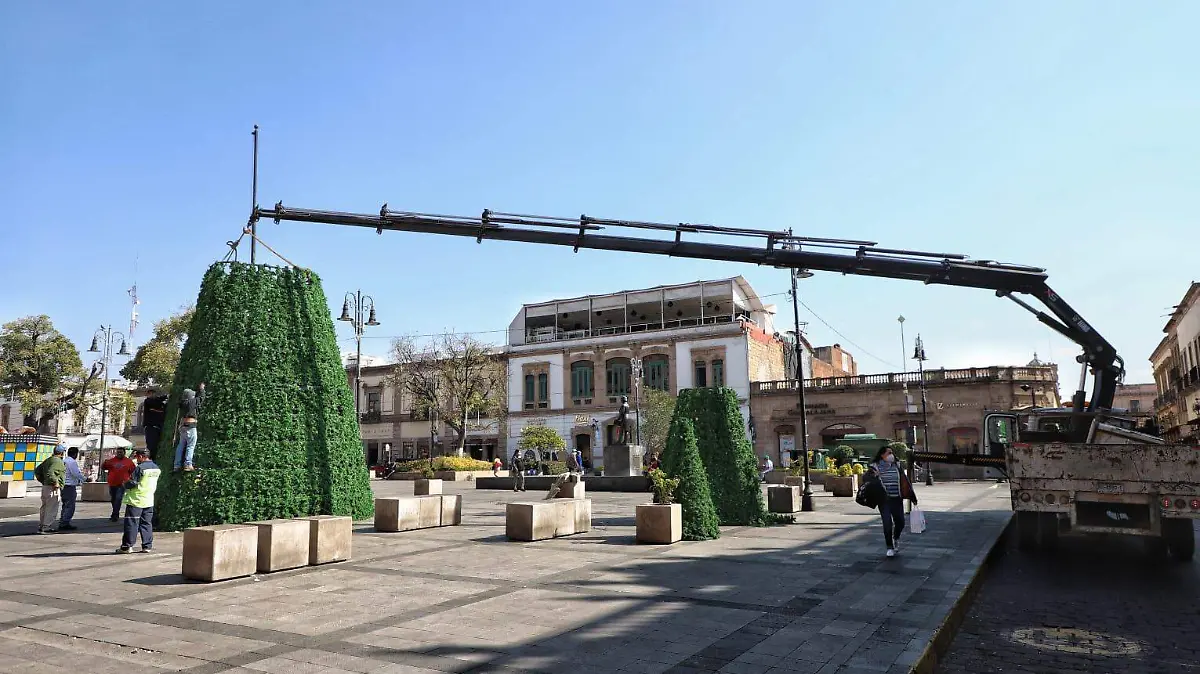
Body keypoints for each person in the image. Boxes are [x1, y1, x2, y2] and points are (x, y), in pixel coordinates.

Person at [868, 445, 918, 558]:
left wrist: (912, 496)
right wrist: (874, 476)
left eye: (892, 453)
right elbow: (867, 480)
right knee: (887, 523)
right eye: (888, 453)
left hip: (897, 498)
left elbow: (905, 480)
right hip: (884, 500)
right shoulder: (874, 467)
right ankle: (889, 547)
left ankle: (896, 537)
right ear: (882, 455)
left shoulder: (897, 465)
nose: (891, 455)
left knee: (900, 522)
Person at [116, 449, 161, 554]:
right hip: (149, 499)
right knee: (146, 523)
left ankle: (127, 547)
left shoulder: (140, 468)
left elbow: (132, 483)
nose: (137, 459)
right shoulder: (156, 468)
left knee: (132, 524)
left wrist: (125, 483)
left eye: (137, 457)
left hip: (136, 500)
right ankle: (147, 546)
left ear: (141, 456)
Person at [33, 445, 66, 534]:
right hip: (52, 487)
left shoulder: (48, 460)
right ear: (62, 453)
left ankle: (42, 525)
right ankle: (46, 527)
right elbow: (50, 472)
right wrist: (55, 482)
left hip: (46, 486)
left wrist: (43, 481)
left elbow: (37, 470)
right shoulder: (58, 461)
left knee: (45, 507)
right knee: (51, 508)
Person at [174, 383, 205, 471]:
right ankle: (188, 464)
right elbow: (201, 398)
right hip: (190, 426)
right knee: (191, 445)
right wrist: (202, 389)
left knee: (181, 445)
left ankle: (177, 465)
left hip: (183, 426)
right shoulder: (191, 402)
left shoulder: (182, 403)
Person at [102, 448, 137, 522]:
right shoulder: (111, 461)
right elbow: (103, 467)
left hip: (122, 484)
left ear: (124, 453)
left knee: (118, 499)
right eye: (118, 452)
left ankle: (115, 515)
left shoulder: (129, 462)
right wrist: (104, 462)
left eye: (121, 452)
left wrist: (131, 480)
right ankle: (115, 512)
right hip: (112, 483)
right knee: (113, 499)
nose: (119, 454)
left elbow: (133, 471)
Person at [58, 447, 86, 531]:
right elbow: (76, 473)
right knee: (70, 505)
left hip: (64, 485)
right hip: (69, 486)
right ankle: (65, 523)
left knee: (65, 504)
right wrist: (85, 479)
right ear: (75, 454)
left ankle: (63, 521)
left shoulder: (64, 461)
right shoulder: (72, 462)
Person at [142, 388, 168, 455]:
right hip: (151, 427)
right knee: (152, 446)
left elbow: (164, 408)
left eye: (154, 394)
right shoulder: (148, 401)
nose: (154, 395)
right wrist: (165, 397)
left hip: (159, 427)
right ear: (148, 394)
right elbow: (154, 403)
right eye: (151, 394)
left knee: (158, 444)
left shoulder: (159, 404)